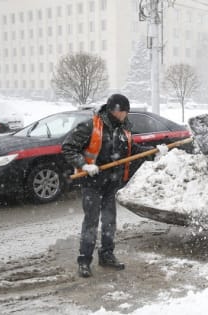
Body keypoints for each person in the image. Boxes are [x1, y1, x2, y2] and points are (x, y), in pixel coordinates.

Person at [62, 93, 153, 278]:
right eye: (124, 111)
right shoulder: (91, 126)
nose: (127, 114)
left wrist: (154, 151)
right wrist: (83, 164)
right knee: (91, 222)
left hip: (112, 183)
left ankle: (107, 255)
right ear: (115, 110)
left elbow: (132, 150)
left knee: (109, 221)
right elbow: (68, 147)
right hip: (92, 183)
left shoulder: (124, 129)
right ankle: (84, 261)